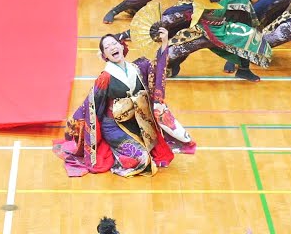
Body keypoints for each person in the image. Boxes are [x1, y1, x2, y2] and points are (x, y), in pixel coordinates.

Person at [53, 30, 194, 176]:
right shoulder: (105, 78)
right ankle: (115, 154)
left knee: (157, 149)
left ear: (122, 46)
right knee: (142, 159)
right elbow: (91, 104)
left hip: (136, 122)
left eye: (114, 43)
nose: (112, 47)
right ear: (105, 56)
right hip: (113, 126)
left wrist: (164, 42)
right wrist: (77, 126)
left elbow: (157, 68)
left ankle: (120, 148)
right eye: (107, 47)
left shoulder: (138, 68)